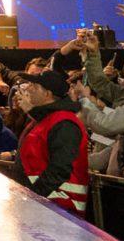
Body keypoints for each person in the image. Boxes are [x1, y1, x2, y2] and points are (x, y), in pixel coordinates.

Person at [13, 69, 91, 215]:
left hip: (59, 207)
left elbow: (59, 169)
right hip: (45, 205)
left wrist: (32, 197)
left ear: (47, 94)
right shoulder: (46, 119)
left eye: (34, 86)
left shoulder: (65, 124)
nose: (28, 88)